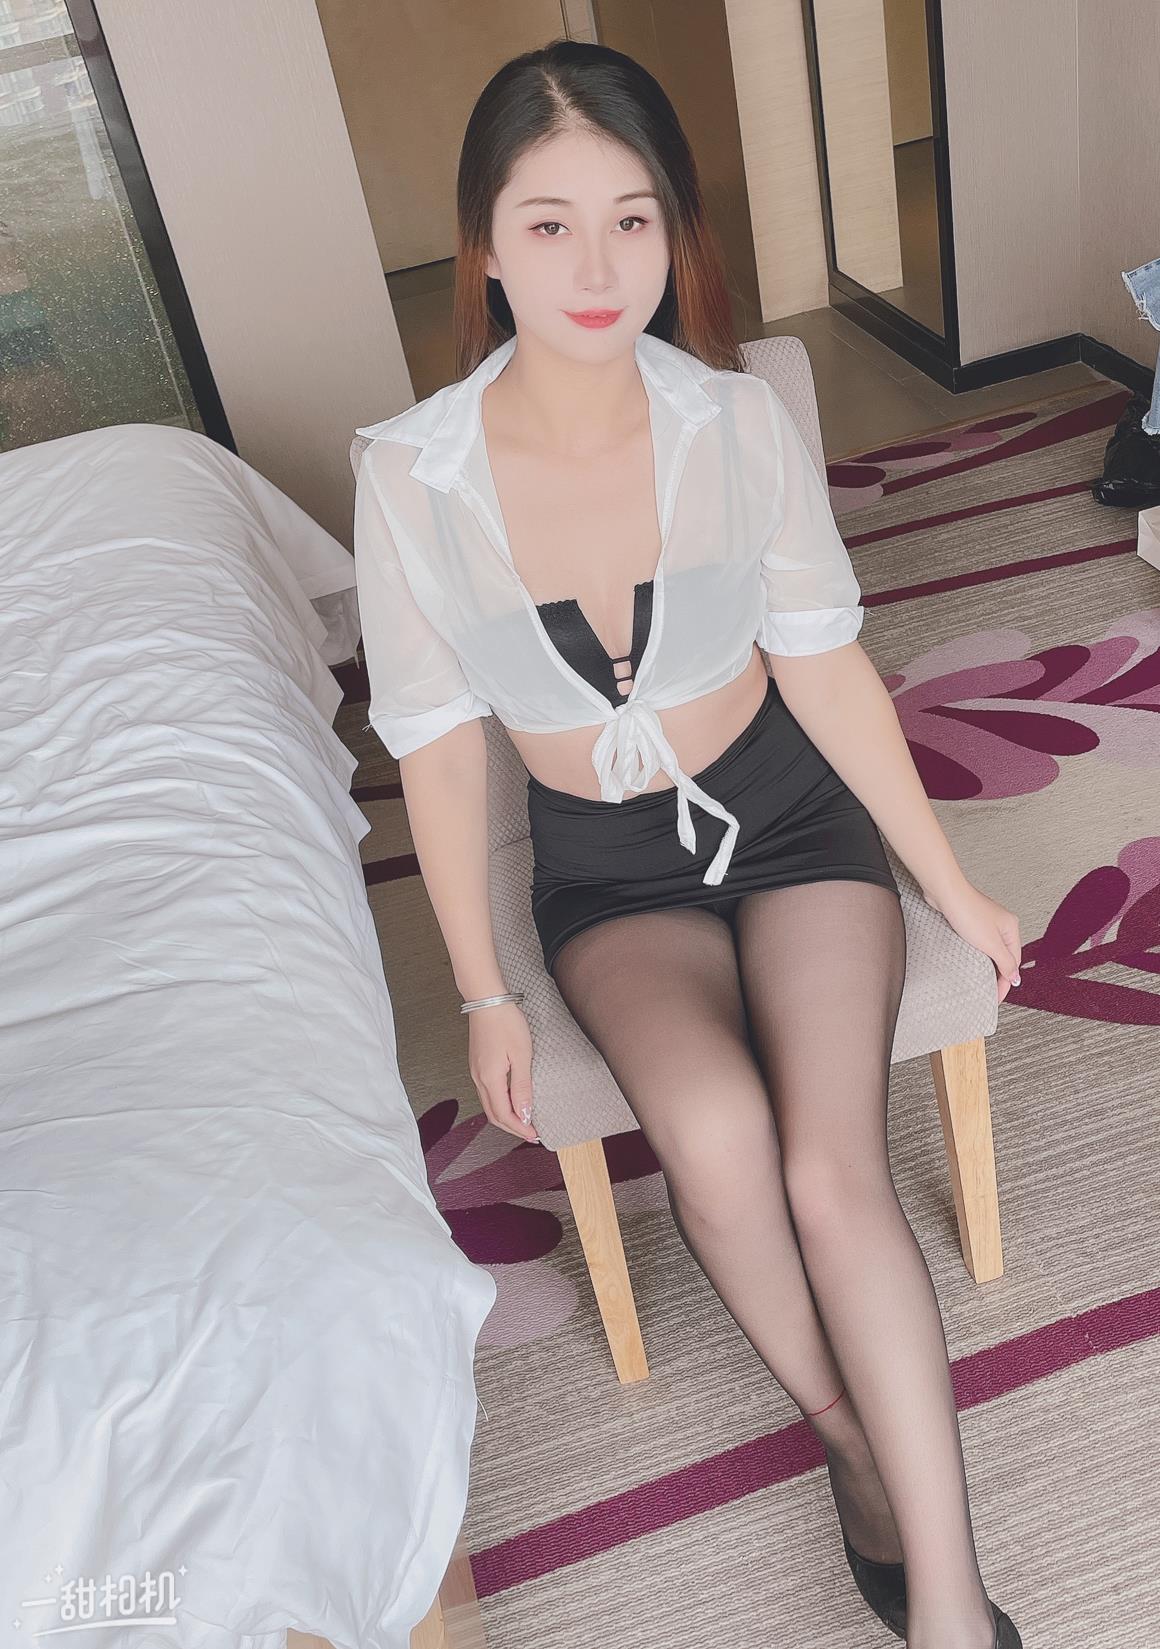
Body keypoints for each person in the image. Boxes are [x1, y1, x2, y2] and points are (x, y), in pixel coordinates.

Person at [352, 38, 1023, 1649]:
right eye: (551, 224)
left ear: (676, 230)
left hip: (788, 817)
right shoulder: (413, 475)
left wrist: (946, 879)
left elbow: (826, 667)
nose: (598, 270)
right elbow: (436, 754)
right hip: (606, 870)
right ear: (485, 245)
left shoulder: (733, 420)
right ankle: (850, 1441)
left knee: (830, 1165)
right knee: (714, 1132)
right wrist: (486, 990)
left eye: (634, 220)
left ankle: (949, 1606)